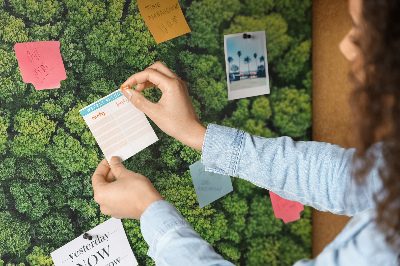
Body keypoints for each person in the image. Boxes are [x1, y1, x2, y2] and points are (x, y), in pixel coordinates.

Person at [91, 0, 400, 264]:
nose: (346, 47)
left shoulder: (386, 247)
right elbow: (343, 178)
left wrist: (149, 210)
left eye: (364, 33)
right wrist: (196, 134)